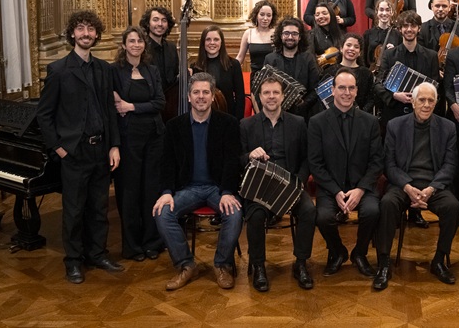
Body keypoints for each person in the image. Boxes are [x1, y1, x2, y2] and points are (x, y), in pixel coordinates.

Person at [37, 9, 123, 284]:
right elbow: (44, 115)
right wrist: (59, 148)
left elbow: (109, 110)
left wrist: (114, 146)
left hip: (100, 150)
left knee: (98, 208)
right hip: (74, 151)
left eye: (90, 29)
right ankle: (73, 261)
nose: (86, 34)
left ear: (96, 34)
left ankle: (97, 253)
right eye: (81, 29)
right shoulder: (58, 70)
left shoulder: (103, 69)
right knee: (73, 211)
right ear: (72, 33)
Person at [152, 72, 243, 291]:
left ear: (213, 96)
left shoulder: (228, 123)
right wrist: (166, 191)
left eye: (205, 92)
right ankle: (186, 264)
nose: (201, 96)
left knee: (235, 213)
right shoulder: (174, 126)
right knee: (162, 213)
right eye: (196, 92)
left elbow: (233, 161)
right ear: (189, 97)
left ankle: (222, 265)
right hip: (188, 188)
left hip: (217, 188)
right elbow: (167, 162)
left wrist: (228, 191)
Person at [373, 83, 459, 290]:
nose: (426, 104)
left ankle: (439, 260)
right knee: (386, 203)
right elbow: (389, 164)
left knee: (453, 207)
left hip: (434, 185)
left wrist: (431, 189)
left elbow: (450, 165)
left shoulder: (447, 127)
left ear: (436, 103)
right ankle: (384, 262)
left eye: (431, 100)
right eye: (421, 100)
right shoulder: (395, 125)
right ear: (412, 102)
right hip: (403, 183)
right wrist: (407, 186)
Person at [239, 75, 316, 292]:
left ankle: (300, 262)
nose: (271, 97)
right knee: (255, 215)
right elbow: (238, 159)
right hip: (261, 186)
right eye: (266, 93)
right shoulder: (246, 125)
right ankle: (259, 266)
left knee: (309, 210)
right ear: (259, 97)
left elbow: (306, 159)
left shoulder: (298, 123)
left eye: (275, 93)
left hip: (290, 185)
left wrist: (299, 183)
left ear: (283, 96)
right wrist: (249, 156)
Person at [308, 69, 385, 279]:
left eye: (351, 88)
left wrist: (360, 190)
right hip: (331, 188)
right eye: (342, 87)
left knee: (372, 211)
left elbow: (377, 161)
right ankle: (337, 251)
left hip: (362, 187)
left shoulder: (370, 122)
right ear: (332, 90)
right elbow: (315, 164)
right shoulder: (317, 122)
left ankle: (360, 253)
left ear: (357, 91)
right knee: (323, 217)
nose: (347, 92)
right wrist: (335, 192)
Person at [110, 26, 166, 262]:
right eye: (131, 41)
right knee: (129, 191)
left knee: (151, 189)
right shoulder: (114, 71)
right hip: (128, 138)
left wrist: (130, 107)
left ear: (144, 45)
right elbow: (111, 105)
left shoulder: (151, 70)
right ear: (124, 45)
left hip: (153, 136)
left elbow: (160, 102)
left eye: (140, 41)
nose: (136, 45)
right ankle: (132, 246)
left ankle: (152, 242)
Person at [373, 11, 440, 123]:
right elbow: (378, 84)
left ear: (419, 28)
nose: (409, 29)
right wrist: (394, 95)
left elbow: (435, 86)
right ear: (400, 29)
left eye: (413, 26)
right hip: (395, 114)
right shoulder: (388, 55)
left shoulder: (432, 56)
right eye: (405, 26)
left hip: (423, 115)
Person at [264, 17, 320, 118]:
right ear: (281, 36)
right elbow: (265, 88)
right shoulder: (270, 59)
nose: (290, 37)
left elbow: (315, 88)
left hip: (302, 115)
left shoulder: (308, 59)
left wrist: (303, 104)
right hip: (276, 114)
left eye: (294, 34)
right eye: (286, 33)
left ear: (300, 37)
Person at [191, 25, 246, 120]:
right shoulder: (195, 67)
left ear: (221, 42)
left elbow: (240, 97)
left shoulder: (233, 64)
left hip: (228, 117)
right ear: (203, 43)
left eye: (216, 39)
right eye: (208, 39)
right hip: (202, 118)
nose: (212, 43)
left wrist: (237, 122)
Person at [322, 33, 375, 113]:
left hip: (359, 118)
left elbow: (371, 99)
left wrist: (360, 115)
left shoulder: (367, 73)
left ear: (360, 52)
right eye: (348, 45)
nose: (352, 49)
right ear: (341, 48)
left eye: (356, 47)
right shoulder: (329, 71)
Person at [140, 6, 178, 94]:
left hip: (169, 99)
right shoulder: (141, 47)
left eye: (164, 20)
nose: (160, 24)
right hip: (149, 98)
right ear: (148, 23)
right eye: (155, 20)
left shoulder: (171, 47)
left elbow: (175, 75)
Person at [235, 0, 277, 73]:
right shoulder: (248, 33)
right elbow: (240, 57)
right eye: (262, 14)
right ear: (256, 15)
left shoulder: (276, 33)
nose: (265, 18)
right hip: (255, 77)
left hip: (273, 78)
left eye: (269, 15)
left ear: (272, 17)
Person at [363, 0, 402, 70]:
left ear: (392, 12)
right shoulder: (368, 34)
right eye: (381, 10)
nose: (384, 13)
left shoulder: (398, 35)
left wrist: (394, 52)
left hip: (390, 72)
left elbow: (401, 58)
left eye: (387, 10)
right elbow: (363, 58)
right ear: (376, 12)